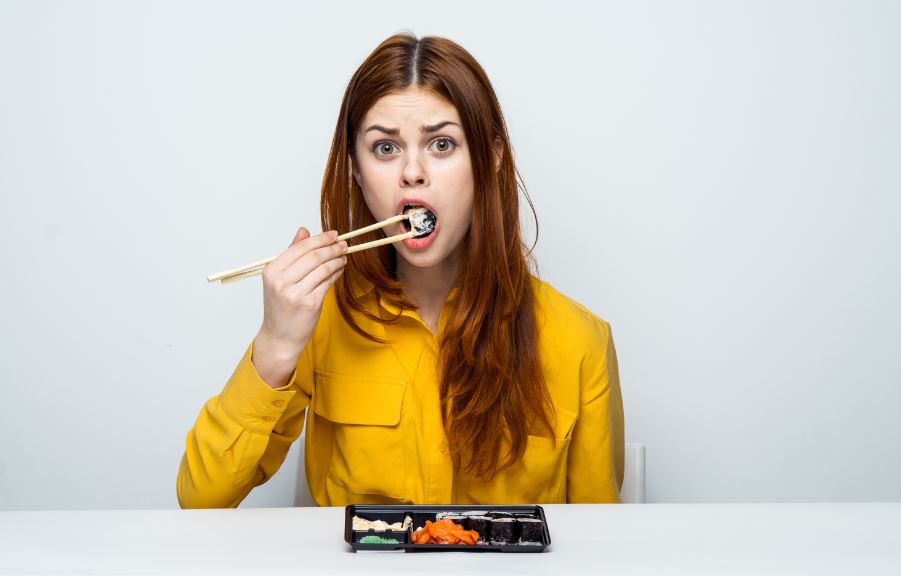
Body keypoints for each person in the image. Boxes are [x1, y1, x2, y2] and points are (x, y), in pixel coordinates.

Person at [177, 32, 624, 508]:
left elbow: (599, 543)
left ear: (490, 158)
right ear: (355, 169)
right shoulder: (318, 324)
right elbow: (200, 501)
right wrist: (276, 344)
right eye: (385, 149)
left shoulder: (582, 342)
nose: (413, 172)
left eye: (442, 144)